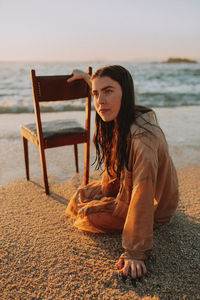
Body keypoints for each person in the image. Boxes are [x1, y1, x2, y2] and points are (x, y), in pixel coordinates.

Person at [66, 65, 179, 279]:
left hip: (154, 206)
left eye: (108, 91)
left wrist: (135, 252)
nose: (100, 101)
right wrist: (87, 78)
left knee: (88, 215)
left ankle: (141, 228)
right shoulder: (123, 115)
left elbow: (143, 188)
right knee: (80, 197)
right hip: (125, 186)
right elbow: (100, 88)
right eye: (95, 93)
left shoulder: (143, 136)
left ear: (125, 93)